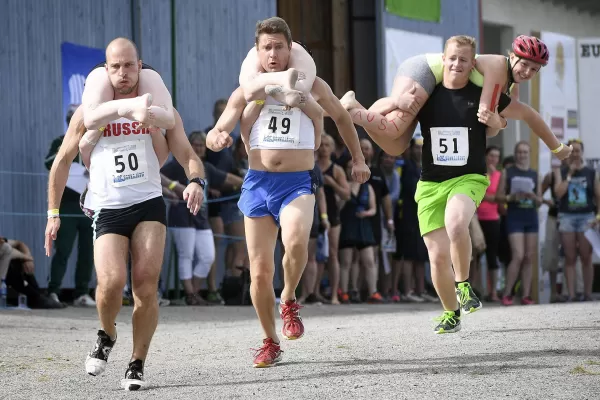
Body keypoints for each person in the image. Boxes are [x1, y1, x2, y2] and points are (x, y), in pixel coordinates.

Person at [206, 17, 369, 368]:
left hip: (297, 181)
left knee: (296, 243)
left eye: (280, 46)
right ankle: (269, 340)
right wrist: (217, 137)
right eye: (267, 47)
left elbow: (342, 118)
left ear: (290, 48)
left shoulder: (314, 85)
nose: (274, 53)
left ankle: (290, 297)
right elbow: (218, 128)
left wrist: (357, 158)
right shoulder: (247, 90)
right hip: (258, 183)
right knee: (260, 271)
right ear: (258, 52)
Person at [44, 37, 205, 391]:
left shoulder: (158, 108)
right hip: (107, 205)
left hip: (147, 201)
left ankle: (137, 363)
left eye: (129, 65)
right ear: (105, 68)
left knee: (146, 283)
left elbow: (187, 153)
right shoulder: (90, 111)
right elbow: (61, 162)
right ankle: (107, 333)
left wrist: (196, 181)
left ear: (140, 66)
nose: (122, 73)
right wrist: (53, 211)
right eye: (115, 66)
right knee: (111, 283)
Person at [362, 35, 514, 334]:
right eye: (453, 58)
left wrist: (495, 121)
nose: (457, 64)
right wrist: (389, 103)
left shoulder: (480, 91)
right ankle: (451, 313)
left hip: (468, 177)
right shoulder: (427, 93)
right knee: (437, 256)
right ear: (443, 60)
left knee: (457, 224)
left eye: (464, 60)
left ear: (473, 64)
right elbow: (382, 109)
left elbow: (503, 120)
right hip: (431, 182)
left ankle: (464, 285)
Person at [339, 37, 572, 163]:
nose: (528, 72)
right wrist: (500, 122)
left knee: (396, 146)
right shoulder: (499, 69)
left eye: (535, 70)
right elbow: (484, 115)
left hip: (430, 77)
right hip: (424, 70)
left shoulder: (508, 83)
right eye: (524, 65)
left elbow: (527, 115)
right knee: (392, 128)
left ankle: (356, 107)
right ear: (511, 57)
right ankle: (349, 110)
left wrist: (557, 147)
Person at [161, 131, 243, 305]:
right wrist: (173, 188)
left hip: (202, 216)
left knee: (208, 256)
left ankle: (195, 291)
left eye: (201, 145)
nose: (198, 148)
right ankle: (190, 294)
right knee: (186, 255)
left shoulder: (208, 168)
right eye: (195, 145)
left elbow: (228, 178)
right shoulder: (177, 165)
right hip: (181, 215)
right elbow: (157, 175)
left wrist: (249, 181)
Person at [44, 105, 95, 307]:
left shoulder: (94, 139)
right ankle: (53, 291)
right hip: (68, 204)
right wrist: (71, 164)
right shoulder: (61, 140)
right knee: (63, 249)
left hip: (90, 204)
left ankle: (82, 292)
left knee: (88, 251)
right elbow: (49, 162)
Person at [495, 141, 541, 305]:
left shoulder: (535, 174)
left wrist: (535, 198)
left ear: (529, 154)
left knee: (529, 257)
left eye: (525, 152)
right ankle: (507, 293)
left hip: (530, 216)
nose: (522, 155)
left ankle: (526, 295)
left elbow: (540, 200)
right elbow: (498, 196)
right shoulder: (508, 171)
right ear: (516, 154)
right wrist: (511, 197)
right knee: (518, 255)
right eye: (520, 152)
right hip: (515, 216)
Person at [553, 139, 598, 302]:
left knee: (586, 256)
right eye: (572, 151)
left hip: (587, 217)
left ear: (582, 152)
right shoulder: (562, 171)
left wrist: (597, 217)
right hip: (567, 217)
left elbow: (598, 196)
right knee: (570, 257)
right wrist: (570, 174)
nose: (575, 154)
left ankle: (587, 293)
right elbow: (558, 193)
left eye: (578, 151)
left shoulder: (591, 172)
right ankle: (572, 295)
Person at [475, 146, 502, 302]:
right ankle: (476, 290)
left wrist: (486, 196)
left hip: (493, 219)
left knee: (492, 255)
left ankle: (493, 292)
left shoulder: (499, 175)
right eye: (491, 155)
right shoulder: (478, 173)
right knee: (475, 257)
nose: (493, 159)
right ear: (486, 157)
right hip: (477, 218)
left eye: (496, 156)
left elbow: (498, 197)